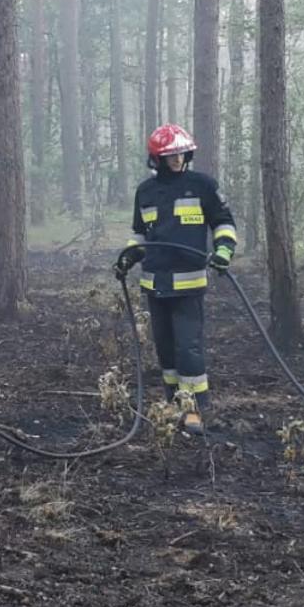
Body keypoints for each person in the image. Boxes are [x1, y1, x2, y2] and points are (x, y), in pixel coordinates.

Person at [114, 124, 237, 435]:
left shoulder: (203, 186)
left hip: (189, 284)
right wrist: (129, 257)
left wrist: (223, 251)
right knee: (166, 350)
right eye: (171, 156)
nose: (178, 160)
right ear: (157, 159)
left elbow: (223, 222)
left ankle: (194, 408)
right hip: (155, 284)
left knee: (188, 348)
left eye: (182, 154)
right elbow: (141, 234)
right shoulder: (145, 192)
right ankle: (172, 402)